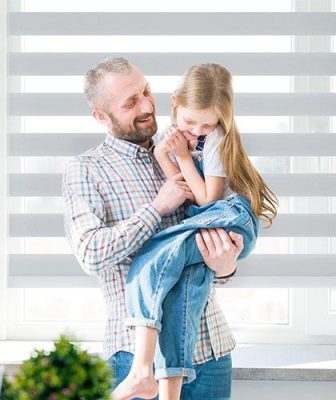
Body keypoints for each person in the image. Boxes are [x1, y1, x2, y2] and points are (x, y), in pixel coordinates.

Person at [62, 57, 248, 400]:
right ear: (101, 116)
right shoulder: (86, 170)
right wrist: (157, 208)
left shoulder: (191, 147)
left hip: (211, 351)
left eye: (146, 91)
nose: (148, 104)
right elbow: (91, 254)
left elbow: (220, 228)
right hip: (136, 359)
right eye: (130, 101)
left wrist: (227, 266)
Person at [112, 64, 278, 400]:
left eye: (208, 123)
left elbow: (205, 197)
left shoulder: (216, 140)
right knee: (179, 293)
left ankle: (142, 370)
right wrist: (163, 153)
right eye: (191, 121)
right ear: (174, 104)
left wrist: (184, 155)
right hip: (208, 219)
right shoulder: (170, 136)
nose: (199, 129)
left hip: (229, 217)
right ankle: (163, 385)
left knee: (154, 257)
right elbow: (184, 190)